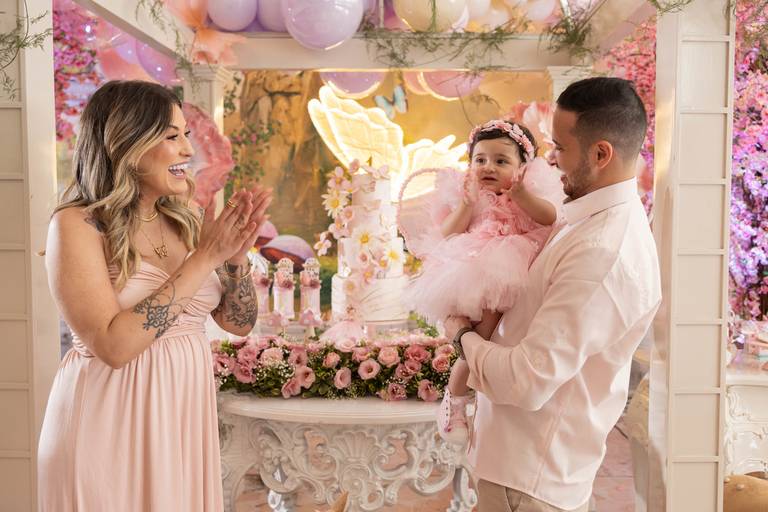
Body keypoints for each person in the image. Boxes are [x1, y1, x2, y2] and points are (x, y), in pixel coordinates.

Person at [37, 80, 272, 511]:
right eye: (171, 136)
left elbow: (238, 323)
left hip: (181, 420)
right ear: (128, 142)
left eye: (186, 135)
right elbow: (113, 346)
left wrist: (236, 259)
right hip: (108, 426)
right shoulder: (77, 225)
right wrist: (205, 258)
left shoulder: (187, 218)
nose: (188, 150)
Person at [444, 77, 662, 511]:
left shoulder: (602, 251)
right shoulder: (584, 220)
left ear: (600, 154)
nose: (549, 158)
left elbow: (525, 380)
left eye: (560, 147)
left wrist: (460, 336)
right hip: (517, 468)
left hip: (528, 482)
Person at [397, 119, 563, 445]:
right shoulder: (468, 193)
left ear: (522, 167)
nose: (489, 167)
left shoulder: (527, 192)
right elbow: (446, 234)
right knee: (476, 343)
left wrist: (521, 195)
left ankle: (463, 399)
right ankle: (456, 402)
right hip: (472, 271)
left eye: (501, 161)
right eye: (480, 159)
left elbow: (550, 216)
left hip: (510, 268)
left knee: (485, 344)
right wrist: (467, 204)